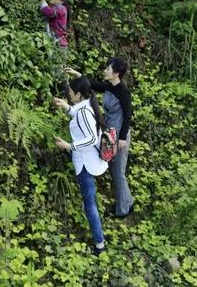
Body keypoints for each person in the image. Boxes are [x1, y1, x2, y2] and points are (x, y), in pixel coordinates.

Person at [65, 58, 134, 217]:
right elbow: (92, 85)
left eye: (108, 68)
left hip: (118, 137)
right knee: (114, 170)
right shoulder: (110, 86)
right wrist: (78, 75)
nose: (105, 70)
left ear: (116, 73)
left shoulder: (123, 92)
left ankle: (123, 210)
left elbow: (128, 116)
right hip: (109, 134)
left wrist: (122, 138)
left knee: (118, 171)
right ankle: (127, 202)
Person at [53, 76, 108, 255]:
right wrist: (66, 107)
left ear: (78, 94)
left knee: (90, 202)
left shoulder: (84, 111)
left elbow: (91, 137)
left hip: (86, 162)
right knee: (90, 200)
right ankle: (99, 237)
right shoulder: (86, 106)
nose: (68, 95)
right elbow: (78, 114)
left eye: (69, 93)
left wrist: (69, 146)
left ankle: (99, 244)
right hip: (89, 160)